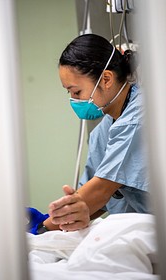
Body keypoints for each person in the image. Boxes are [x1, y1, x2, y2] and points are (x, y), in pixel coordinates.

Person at [27, 34, 150, 235]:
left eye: (76, 92)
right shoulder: (104, 129)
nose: (74, 101)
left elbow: (101, 190)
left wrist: (41, 230)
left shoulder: (140, 116)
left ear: (107, 79)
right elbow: (93, 201)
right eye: (70, 94)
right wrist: (60, 217)